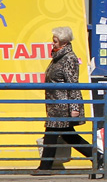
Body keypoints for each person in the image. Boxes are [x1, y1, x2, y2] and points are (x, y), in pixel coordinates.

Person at [34, 26, 101, 174]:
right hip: (55, 104)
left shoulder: (69, 58)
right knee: (63, 134)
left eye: (55, 41)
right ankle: (97, 157)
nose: (53, 43)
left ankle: (45, 167)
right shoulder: (58, 57)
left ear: (64, 42)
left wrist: (75, 107)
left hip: (63, 105)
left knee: (57, 133)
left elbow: (73, 83)